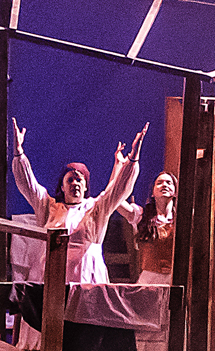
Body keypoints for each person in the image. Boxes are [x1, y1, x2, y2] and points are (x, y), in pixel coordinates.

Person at [9, 121, 142, 288]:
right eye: (70, 180)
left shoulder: (96, 207)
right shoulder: (48, 207)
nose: (75, 183)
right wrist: (19, 154)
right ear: (62, 187)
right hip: (54, 274)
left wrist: (132, 160)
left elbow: (118, 190)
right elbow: (28, 185)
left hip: (89, 276)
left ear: (86, 186)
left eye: (79, 180)